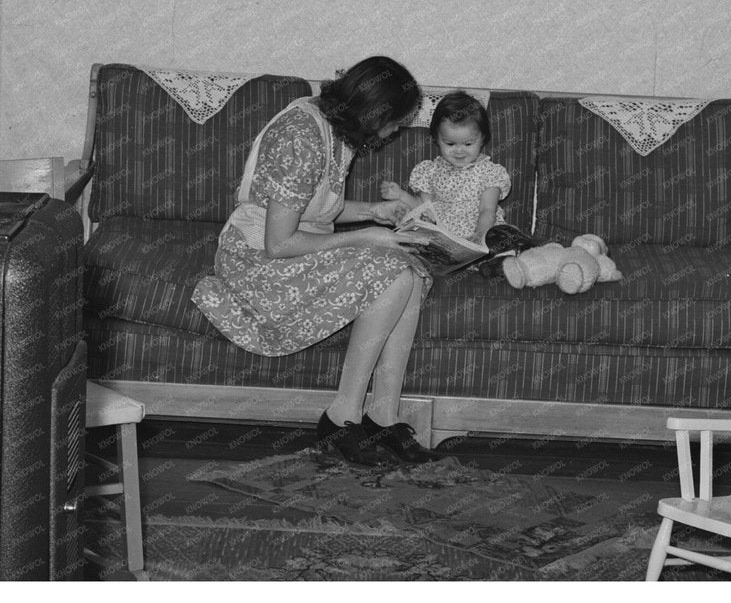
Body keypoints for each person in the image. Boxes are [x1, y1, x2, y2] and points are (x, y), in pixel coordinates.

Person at [191, 55, 434, 466]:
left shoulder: (334, 126)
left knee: (410, 267)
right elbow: (278, 243)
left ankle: (382, 416)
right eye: (396, 122)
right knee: (391, 274)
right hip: (256, 265)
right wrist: (368, 236)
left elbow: (310, 209)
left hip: (286, 247)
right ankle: (341, 419)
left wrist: (375, 212)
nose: (395, 132)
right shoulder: (301, 137)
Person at [382, 91, 511, 247]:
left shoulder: (490, 173)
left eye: (468, 144)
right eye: (450, 144)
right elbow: (424, 208)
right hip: (444, 240)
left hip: (482, 235)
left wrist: (478, 239)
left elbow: (487, 211)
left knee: (507, 238)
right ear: (436, 139)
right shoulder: (430, 171)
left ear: (482, 138)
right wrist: (401, 195)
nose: (459, 150)